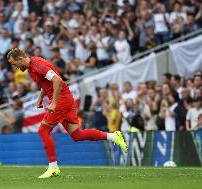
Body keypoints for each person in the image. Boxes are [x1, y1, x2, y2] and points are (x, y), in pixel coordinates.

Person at [7, 48, 127, 178]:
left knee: (43, 130)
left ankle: (53, 167)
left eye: (15, 64)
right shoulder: (32, 67)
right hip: (65, 98)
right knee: (77, 135)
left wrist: (54, 102)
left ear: (20, 59)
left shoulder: (37, 65)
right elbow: (45, 82)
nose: (16, 68)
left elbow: (57, 80)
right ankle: (113, 136)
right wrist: (41, 97)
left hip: (61, 100)